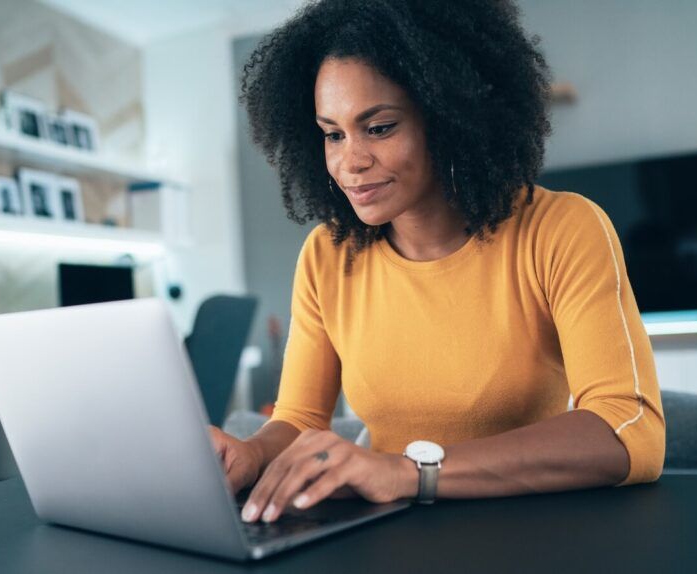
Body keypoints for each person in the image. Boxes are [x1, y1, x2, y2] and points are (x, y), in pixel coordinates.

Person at [210, 0, 665, 524]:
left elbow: (630, 427)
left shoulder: (561, 228)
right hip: (385, 537)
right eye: (333, 134)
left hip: (529, 532)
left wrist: (409, 471)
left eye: (378, 127)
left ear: (451, 117)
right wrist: (250, 453)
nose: (350, 162)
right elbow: (299, 418)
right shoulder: (327, 253)